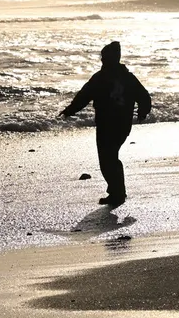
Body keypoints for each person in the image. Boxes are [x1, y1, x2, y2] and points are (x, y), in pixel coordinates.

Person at [59, 41, 151, 207]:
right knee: (111, 157)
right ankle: (117, 192)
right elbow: (144, 96)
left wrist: (70, 110)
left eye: (103, 57)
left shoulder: (101, 78)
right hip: (122, 124)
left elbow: (84, 96)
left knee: (107, 158)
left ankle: (117, 193)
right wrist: (142, 112)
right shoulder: (127, 78)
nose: (101, 60)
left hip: (107, 124)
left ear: (110, 58)